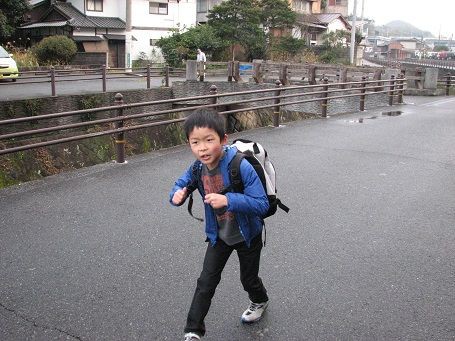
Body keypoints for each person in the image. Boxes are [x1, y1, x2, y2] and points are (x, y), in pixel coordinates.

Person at [169, 109, 270, 341]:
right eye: (195, 142)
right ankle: (193, 331)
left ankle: (260, 300)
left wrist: (228, 200)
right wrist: (177, 194)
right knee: (206, 282)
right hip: (219, 236)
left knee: (248, 279)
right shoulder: (197, 168)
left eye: (208, 140)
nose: (202, 148)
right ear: (189, 144)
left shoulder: (240, 165)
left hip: (248, 235)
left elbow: (261, 204)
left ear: (223, 140)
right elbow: (180, 184)